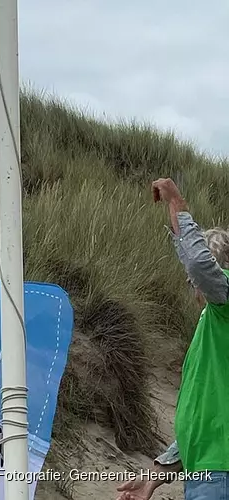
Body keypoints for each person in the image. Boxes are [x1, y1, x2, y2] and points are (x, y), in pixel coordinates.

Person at [115, 178, 229, 500]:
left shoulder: (226, 306)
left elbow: (199, 264)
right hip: (206, 471)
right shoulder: (213, 324)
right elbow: (209, 421)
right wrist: (156, 475)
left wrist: (177, 206)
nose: (191, 281)